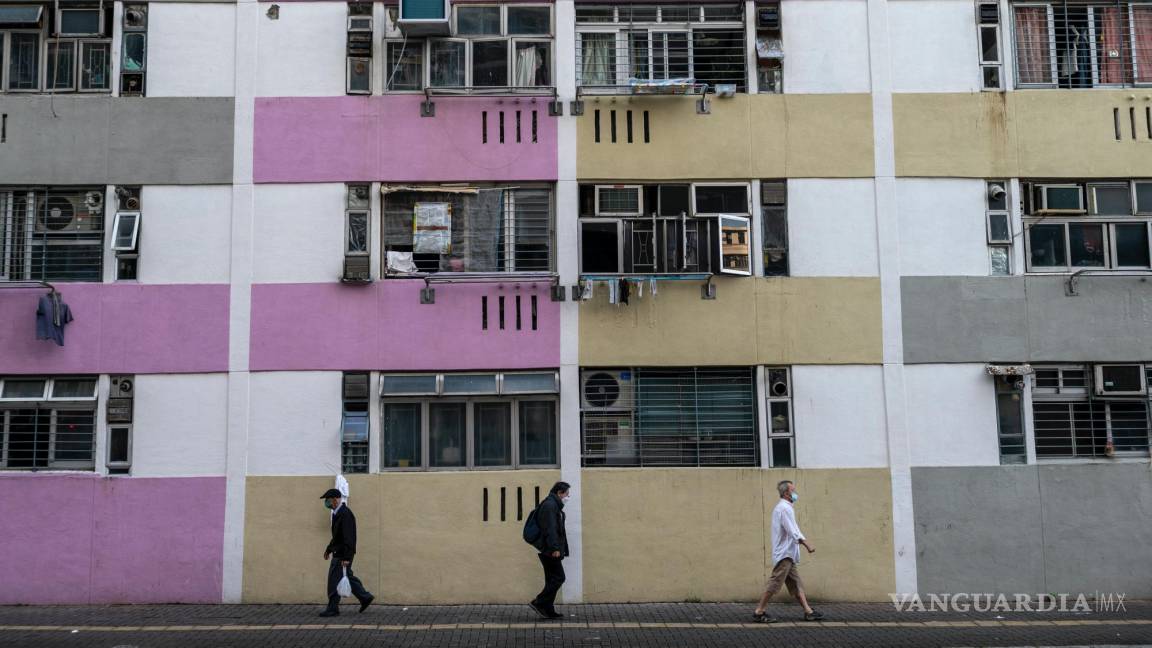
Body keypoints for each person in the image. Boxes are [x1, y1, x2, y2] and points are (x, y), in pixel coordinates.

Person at [753, 480, 824, 623]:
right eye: (793, 490)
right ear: (786, 493)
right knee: (775, 583)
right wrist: (806, 544)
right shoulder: (784, 509)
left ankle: (808, 611)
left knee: (796, 583)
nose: (795, 493)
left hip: (789, 554)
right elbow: (792, 531)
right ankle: (759, 611)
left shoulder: (786, 507)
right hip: (784, 553)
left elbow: (793, 529)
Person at [319, 488, 374, 617]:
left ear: (335, 499)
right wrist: (329, 549)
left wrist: (347, 557)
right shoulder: (337, 513)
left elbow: (349, 538)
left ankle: (333, 608)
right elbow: (337, 537)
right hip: (339, 552)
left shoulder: (345, 514)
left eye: (328, 500)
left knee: (334, 579)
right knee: (347, 576)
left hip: (343, 554)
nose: (326, 503)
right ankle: (365, 597)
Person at [529, 481, 570, 620]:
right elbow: (550, 529)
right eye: (566, 494)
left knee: (551, 579)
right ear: (559, 492)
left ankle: (548, 609)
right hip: (550, 550)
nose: (567, 497)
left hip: (550, 549)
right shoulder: (550, 506)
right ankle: (539, 602)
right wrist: (555, 548)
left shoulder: (553, 505)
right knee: (559, 577)